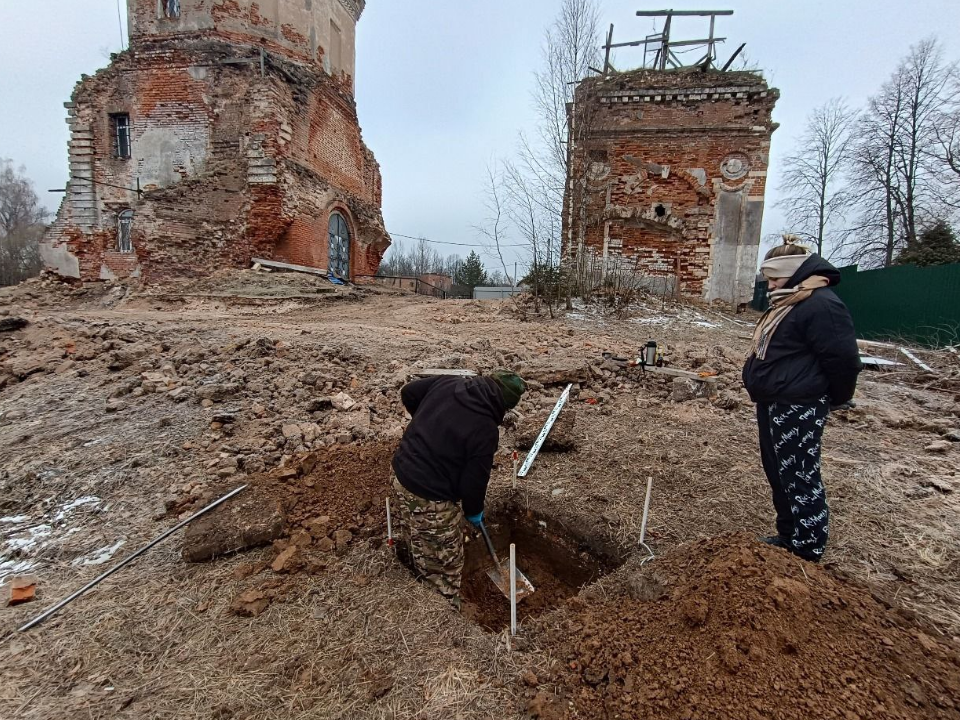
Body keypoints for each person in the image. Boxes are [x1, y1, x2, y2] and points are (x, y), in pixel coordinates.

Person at [742, 238, 862, 562]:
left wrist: (834, 398)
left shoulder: (821, 304)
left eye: (774, 277)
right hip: (774, 402)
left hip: (799, 404)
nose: (769, 285)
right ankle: (788, 535)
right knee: (778, 471)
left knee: (799, 474)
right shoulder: (792, 301)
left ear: (793, 272)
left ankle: (807, 549)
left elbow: (844, 359)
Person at [390, 370, 525, 607]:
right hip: (429, 496)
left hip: (401, 473)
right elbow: (473, 482)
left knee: (417, 536)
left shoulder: (448, 382)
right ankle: (443, 608)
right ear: (504, 406)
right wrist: (473, 510)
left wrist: (426, 425)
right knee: (445, 564)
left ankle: (420, 568)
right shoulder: (485, 428)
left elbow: (409, 392)